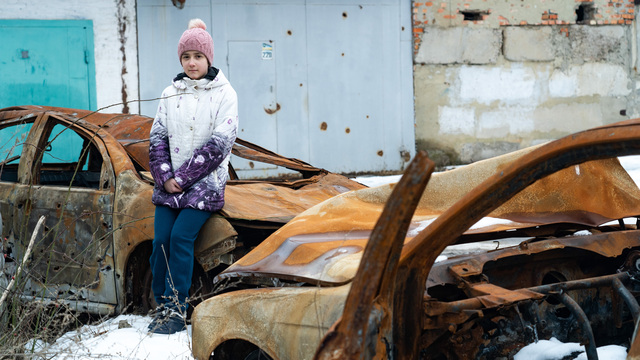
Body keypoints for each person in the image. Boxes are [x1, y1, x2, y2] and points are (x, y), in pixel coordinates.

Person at [147, 18, 238, 334]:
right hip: (170, 184)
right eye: (186, 57)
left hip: (204, 186)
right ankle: (161, 307)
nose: (192, 62)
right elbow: (157, 137)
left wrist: (182, 179)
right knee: (160, 241)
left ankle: (175, 309)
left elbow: (219, 145)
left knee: (180, 238)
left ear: (209, 59)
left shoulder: (225, 94)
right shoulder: (169, 93)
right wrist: (164, 176)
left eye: (198, 56)